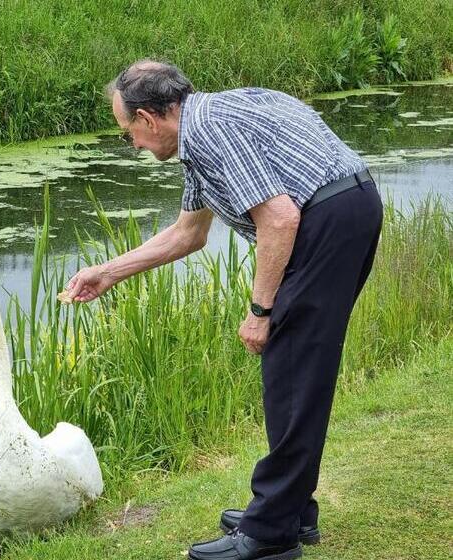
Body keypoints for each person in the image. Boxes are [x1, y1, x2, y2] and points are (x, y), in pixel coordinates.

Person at [66, 60, 383, 560]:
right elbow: (188, 234)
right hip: (345, 209)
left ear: (149, 119)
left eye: (129, 135)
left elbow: (279, 218)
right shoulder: (203, 129)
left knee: (294, 371)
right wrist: (108, 272)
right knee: (293, 368)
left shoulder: (209, 133)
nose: (135, 147)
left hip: (328, 220)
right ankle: (292, 509)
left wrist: (260, 311)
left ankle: (272, 532)